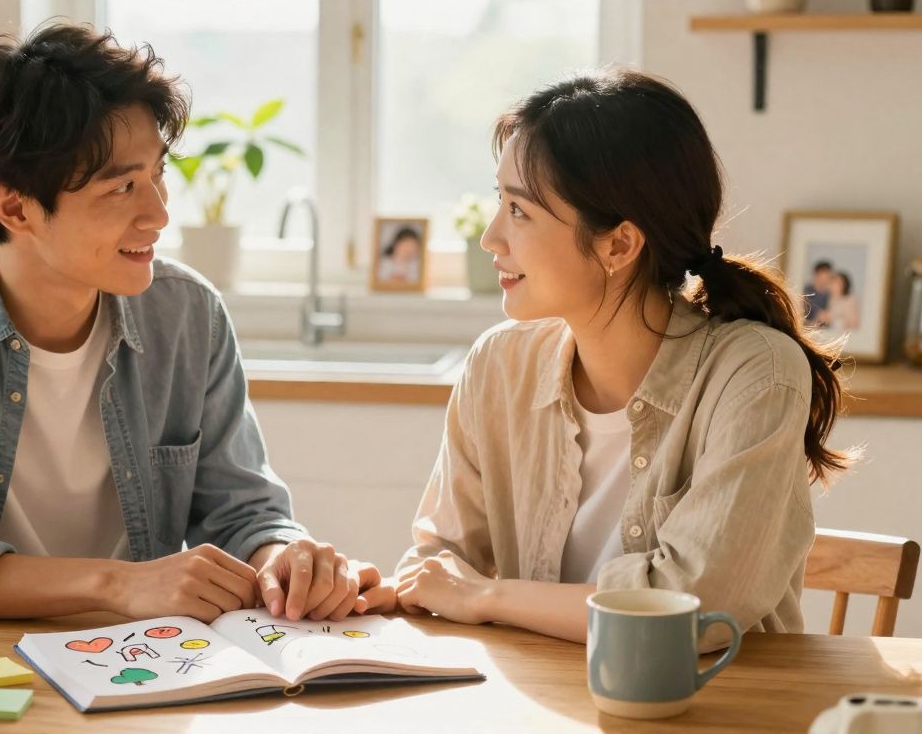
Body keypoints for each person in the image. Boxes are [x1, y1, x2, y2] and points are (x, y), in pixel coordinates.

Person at [0, 23, 379, 624]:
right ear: (15, 206)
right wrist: (117, 585)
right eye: (123, 187)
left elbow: (243, 512)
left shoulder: (186, 314)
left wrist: (283, 558)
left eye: (158, 174)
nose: (159, 213)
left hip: (141, 671)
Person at [357, 68, 854, 650]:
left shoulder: (756, 373)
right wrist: (367, 589)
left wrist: (486, 596)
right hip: (546, 705)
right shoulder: (499, 366)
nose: (492, 238)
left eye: (520, 211)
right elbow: (443, 566)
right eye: (501, 203)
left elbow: (690, 610)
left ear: (618, 244)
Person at [802, 260, 833, 326]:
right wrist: (818, 314)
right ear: (817, 274)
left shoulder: (828, 294)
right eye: (826, 273)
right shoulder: (807, 291)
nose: (828, 277)